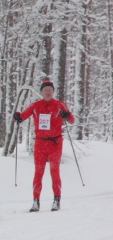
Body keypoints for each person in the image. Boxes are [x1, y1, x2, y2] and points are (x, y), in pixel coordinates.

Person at [13, 78, 74, 212]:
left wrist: (67, 115)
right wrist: (18, 117)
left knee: (54, 171)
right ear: (41, 92)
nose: (48, 93)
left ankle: (56, 200)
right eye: (45, 90)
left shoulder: (59, 104)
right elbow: (23, 116)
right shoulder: (36, 105)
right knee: (38, 172)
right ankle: (36, 201)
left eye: (50, 90)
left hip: (55, 143)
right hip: (40, 142)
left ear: (53, 92)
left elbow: (71, 119)